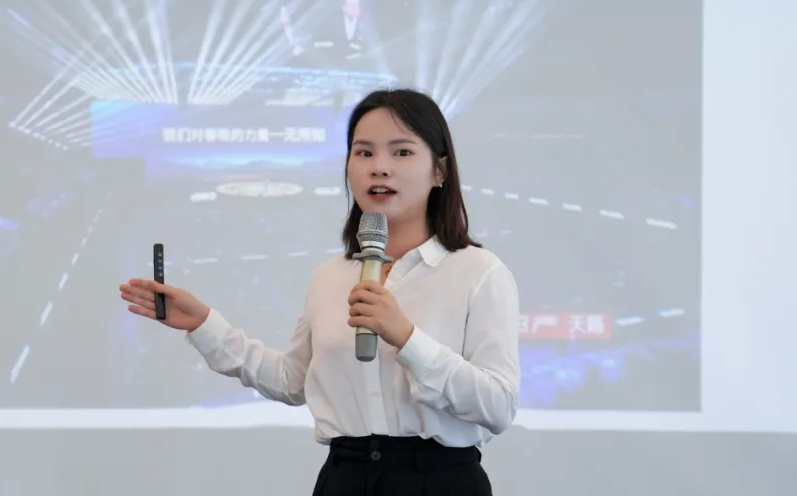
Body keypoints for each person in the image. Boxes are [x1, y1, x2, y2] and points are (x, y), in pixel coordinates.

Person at [119, 88, 520, 496]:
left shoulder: (478, 272)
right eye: (364, 153)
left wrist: (407, 337)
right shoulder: (331, 276)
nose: (379, 168)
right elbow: (292, 380)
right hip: (346, 478)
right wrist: (203, 324)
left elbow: (499, 406)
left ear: (440, 171)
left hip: (441, 481)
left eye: (401, 152)